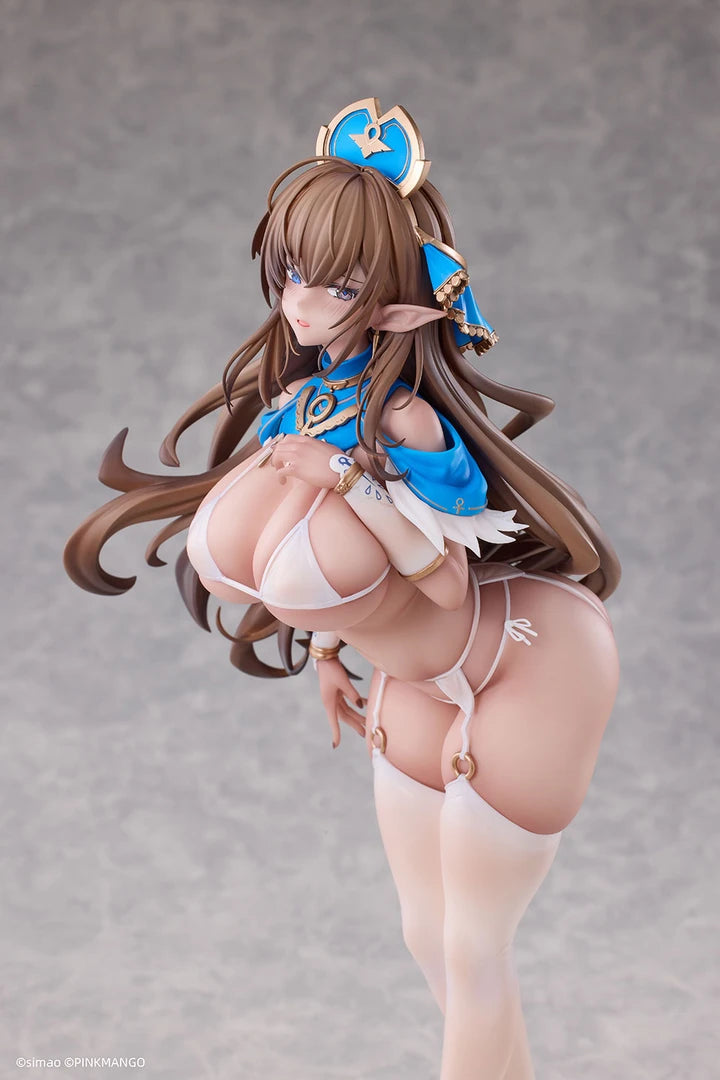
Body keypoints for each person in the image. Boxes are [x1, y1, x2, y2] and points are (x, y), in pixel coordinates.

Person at [65, 99, 620, 1080]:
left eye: (340, 283)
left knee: (473, 949)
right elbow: (309, 564)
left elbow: (445, 585)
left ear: (397, 303)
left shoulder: (406, 424)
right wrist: (326, 651)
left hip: (526, 666)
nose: (303, 301)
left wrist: (349, 482)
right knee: (426, 937)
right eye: (291, 272)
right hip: (409, 683)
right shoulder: (297, 404)